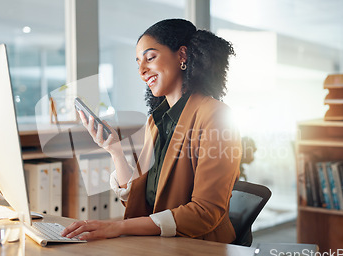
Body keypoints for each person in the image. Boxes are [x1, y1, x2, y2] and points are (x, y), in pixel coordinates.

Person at [61, 18, 241, 243]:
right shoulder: (156, 122)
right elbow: (141, 200)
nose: (142, 70)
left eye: (150, 58)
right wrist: (115, 150)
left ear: (182, 56)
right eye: (138, 63)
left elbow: (205, 213)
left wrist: (117, 227)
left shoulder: (216, 116)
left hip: (202, 249)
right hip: (162, 245)